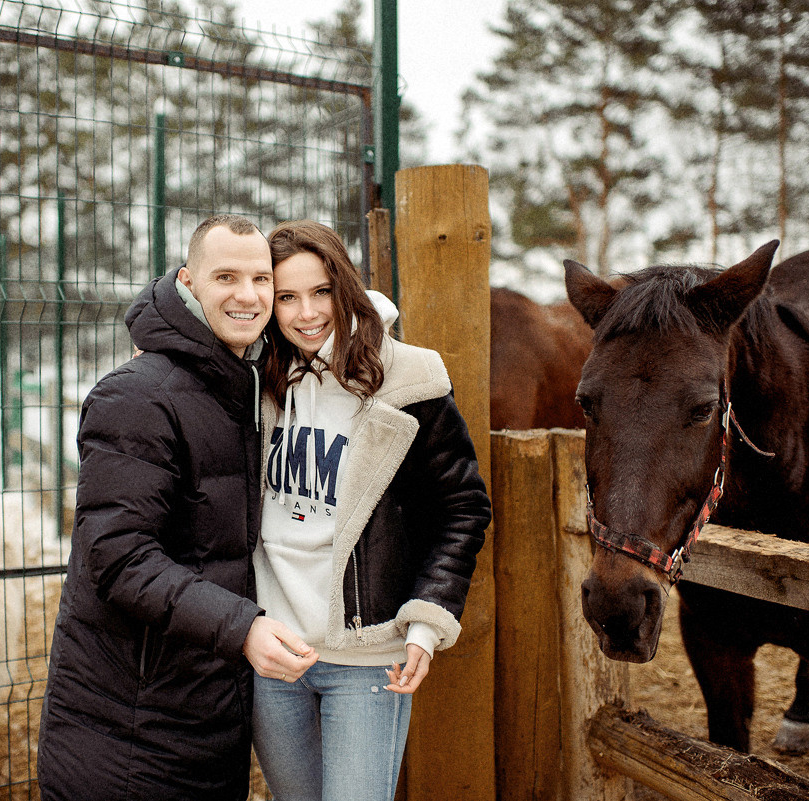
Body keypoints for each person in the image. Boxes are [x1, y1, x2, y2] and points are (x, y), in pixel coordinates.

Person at [37, 215, 318, 801]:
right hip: (127, 730)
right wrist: (244, 628)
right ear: (189, 282)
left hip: (202, 717)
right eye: (227, 277)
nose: (248, 295)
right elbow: (118, 559)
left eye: (261, 279)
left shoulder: (243, 389)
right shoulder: (138, 396)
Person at [251, 220, 492, 801]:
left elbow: (462, 507)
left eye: (321, 292)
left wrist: (427, 621)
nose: (306, 313)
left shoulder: (410, 376)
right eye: (286, 297)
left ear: (345, 288)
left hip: (366, 657)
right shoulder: (257, 377)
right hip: (273, 654)